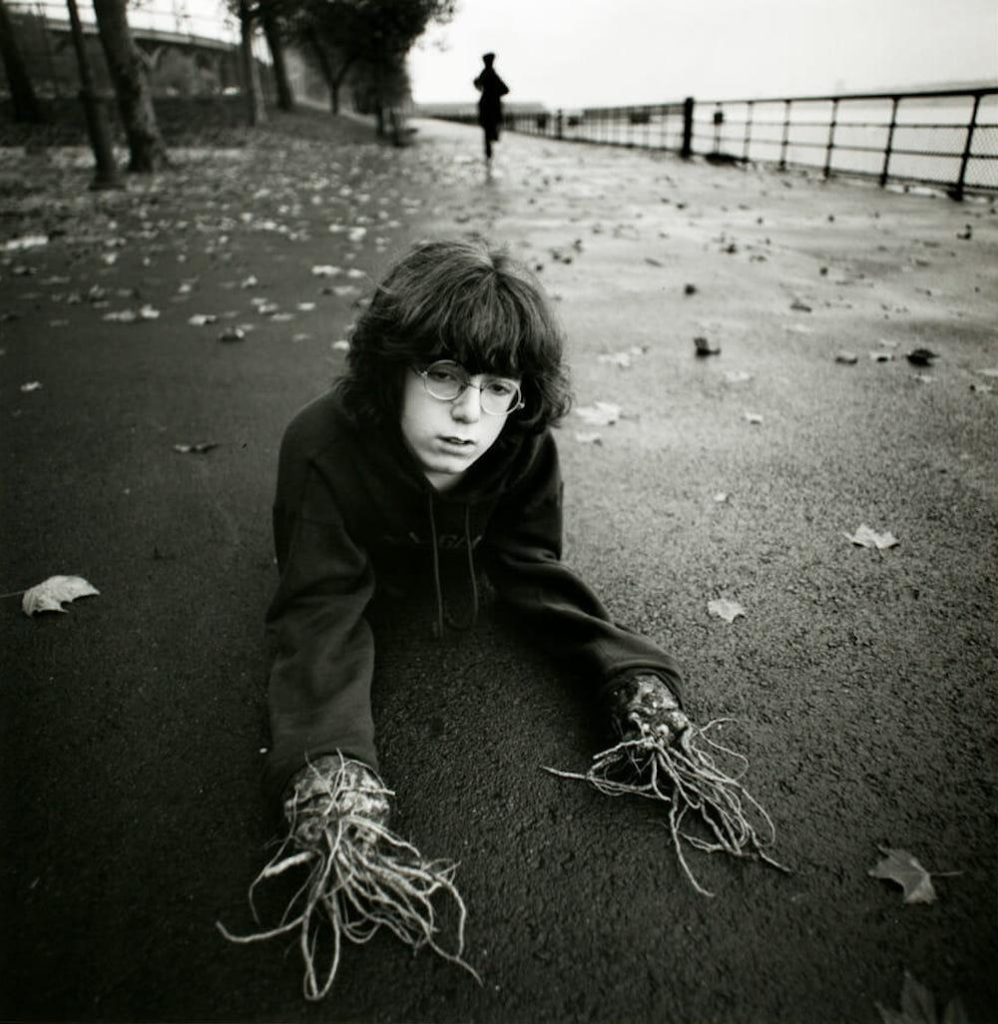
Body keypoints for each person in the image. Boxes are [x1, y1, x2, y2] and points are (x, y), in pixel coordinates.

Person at [221, 238, 782, 1000]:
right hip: (359, 560)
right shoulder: (320, 447)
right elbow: (320, 606)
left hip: (467, 554)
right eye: (444, 376)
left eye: (495, 386)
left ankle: (644, 706)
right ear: (393, 368)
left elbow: (531, 567)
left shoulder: (520, 443)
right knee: (327, 630)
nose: (467, 413)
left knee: (556, 602)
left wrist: (631, 680)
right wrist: (330, 765)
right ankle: (338, 802)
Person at [473, 52, 509, 161]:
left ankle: (489, 148)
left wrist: (483, 89)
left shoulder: (484, 73)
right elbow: (506, 89)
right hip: (493, 105)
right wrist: (496, 94)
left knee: (487, 128)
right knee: (492, 125)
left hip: (486, 104)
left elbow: (477, 83)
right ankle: (491, 142)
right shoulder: (493, 74)